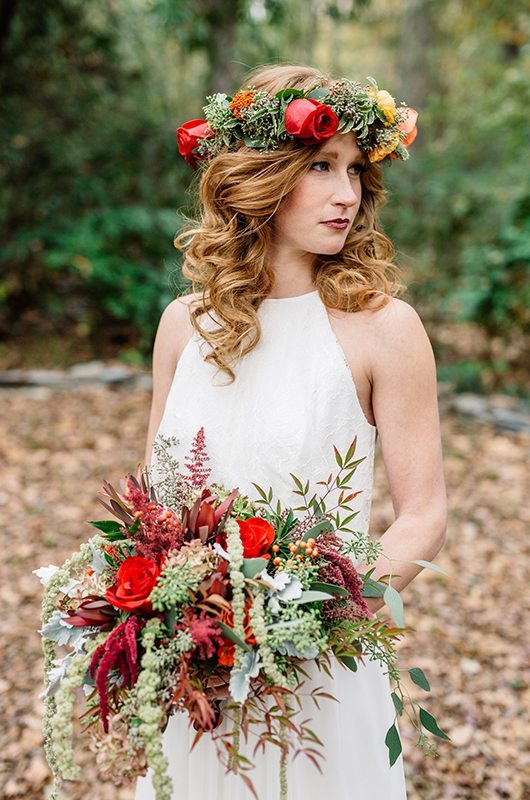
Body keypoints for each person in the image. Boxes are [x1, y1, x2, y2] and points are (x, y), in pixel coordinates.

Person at [135, 64, 447, 800]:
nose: (348, 194)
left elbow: (425, 512)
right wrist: (165, 612)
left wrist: (323, 615)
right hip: (198, 673)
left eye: (355, 173)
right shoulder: (185, 325)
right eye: (321, 167)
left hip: (320, 675)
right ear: (261, 175)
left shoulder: (385, 329)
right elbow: (155, 492)